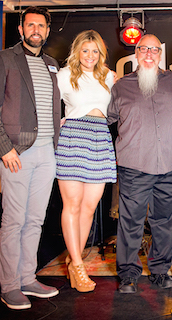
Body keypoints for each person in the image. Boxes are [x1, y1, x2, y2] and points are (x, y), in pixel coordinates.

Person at [0, 6, 61, 310]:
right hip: (17, 153)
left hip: (46, 153)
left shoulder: (52, 64)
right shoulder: (4, 59)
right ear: (21, 29)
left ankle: (28, 277)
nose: (36, 30)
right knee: (13, 221)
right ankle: (9, 286)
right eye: (30, 25)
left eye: (41, 25)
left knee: (35, 220)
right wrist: (4, 149)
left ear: (48, 30)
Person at [107, 34, 172, 294]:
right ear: (136, 53)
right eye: (143, 49)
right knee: (131, 222)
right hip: (134, 166)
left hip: (171, 164)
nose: (149, 53)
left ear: (160, 53)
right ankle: (128, 275)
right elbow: (106, 118)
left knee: (165, 222)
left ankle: (160, 271)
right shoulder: (120, 86)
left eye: (154, 49)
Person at [55, 30, 117, 292]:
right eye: (85, 50)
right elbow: (46, 104)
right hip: (73, 136)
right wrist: (56, 125)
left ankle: (73, 261)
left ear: (100, 53)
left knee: (89, 207)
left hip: (100, 137)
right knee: (73, 204)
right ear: (77, 51)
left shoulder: (109, 76)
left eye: (95, 51)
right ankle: (79, 266)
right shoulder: (64, 75)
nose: (90, 56)